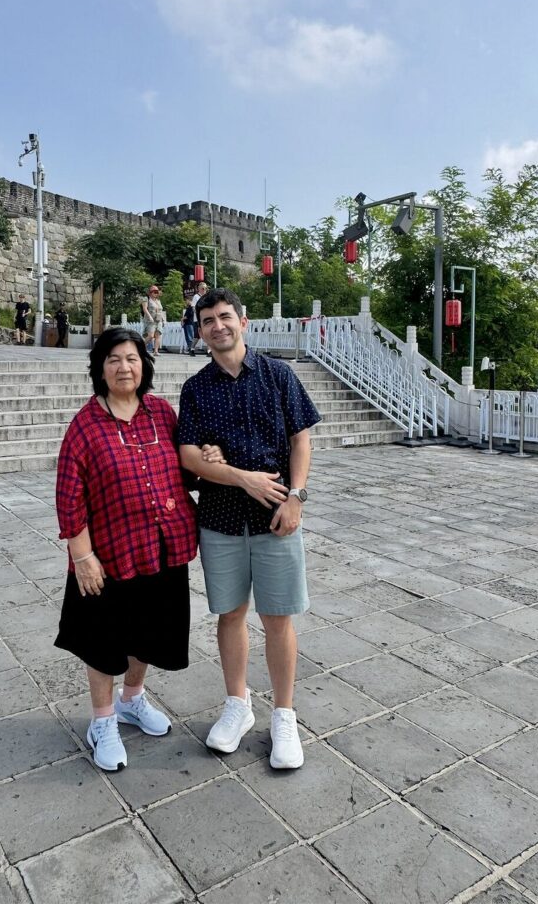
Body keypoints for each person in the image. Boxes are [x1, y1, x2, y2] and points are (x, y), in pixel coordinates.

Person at [54, 326, 223, 772]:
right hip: (107, 556)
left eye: (131, 358)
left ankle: (131, 699)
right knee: (103, 642)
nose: (123, 367)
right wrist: (82, 557)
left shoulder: (161, 413)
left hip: (161, 547)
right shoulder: (85, 426)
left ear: (143, 365)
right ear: (100, 369)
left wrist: (208, 458)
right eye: (113, 360)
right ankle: (103, 721)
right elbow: (69, 498)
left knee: (148, 633)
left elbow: (185, 471)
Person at [178, 288, 321, 770]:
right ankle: (238, 704)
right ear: (200, 332)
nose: (217, 326)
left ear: (243, 321)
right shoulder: (196, 389)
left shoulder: (279, 375)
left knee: (278, 617)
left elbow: (301, 439)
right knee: (231, 613)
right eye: (208, 321)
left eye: (225, 317)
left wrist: (296, 497)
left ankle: (284, 715)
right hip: (220, 518)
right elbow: (189, 455)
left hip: (276, 515)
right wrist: (240, 476)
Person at [141, 285, 164, 355]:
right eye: (154, 291)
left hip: (158, 320)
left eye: (157, 292)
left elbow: (160, 311)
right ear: (150, 292)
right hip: (150, 320)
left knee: (158, 335)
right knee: (150, 336)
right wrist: (150, 317)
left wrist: (163, 319)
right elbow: (145, 309)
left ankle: (156, 351)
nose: (156, 293)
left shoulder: (158, 301)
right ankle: (140, 347)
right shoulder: (146, 299)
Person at [189, 281, 208, 355]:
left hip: (205, 319)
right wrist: (198, 313)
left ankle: (209, 351)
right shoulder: (196, 297)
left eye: (205, 288)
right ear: (199, 289)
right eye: (202, 288)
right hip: (197, 319)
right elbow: (193, 307)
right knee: (197, 336)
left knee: (207, 334)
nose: (204, 290)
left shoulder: (206, 297)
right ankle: (192, 349)